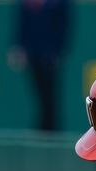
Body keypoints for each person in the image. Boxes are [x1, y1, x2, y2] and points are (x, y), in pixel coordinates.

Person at [9, 0, 72, 131]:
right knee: (39, 96)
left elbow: (64, 26)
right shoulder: (26, 3)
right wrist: (19, 47)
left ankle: (51, 131)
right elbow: (21, 24)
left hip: (49, 57)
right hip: (33, 55)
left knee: (50, 98)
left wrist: (58, 52)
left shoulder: (60, 3)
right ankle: (41, 131)